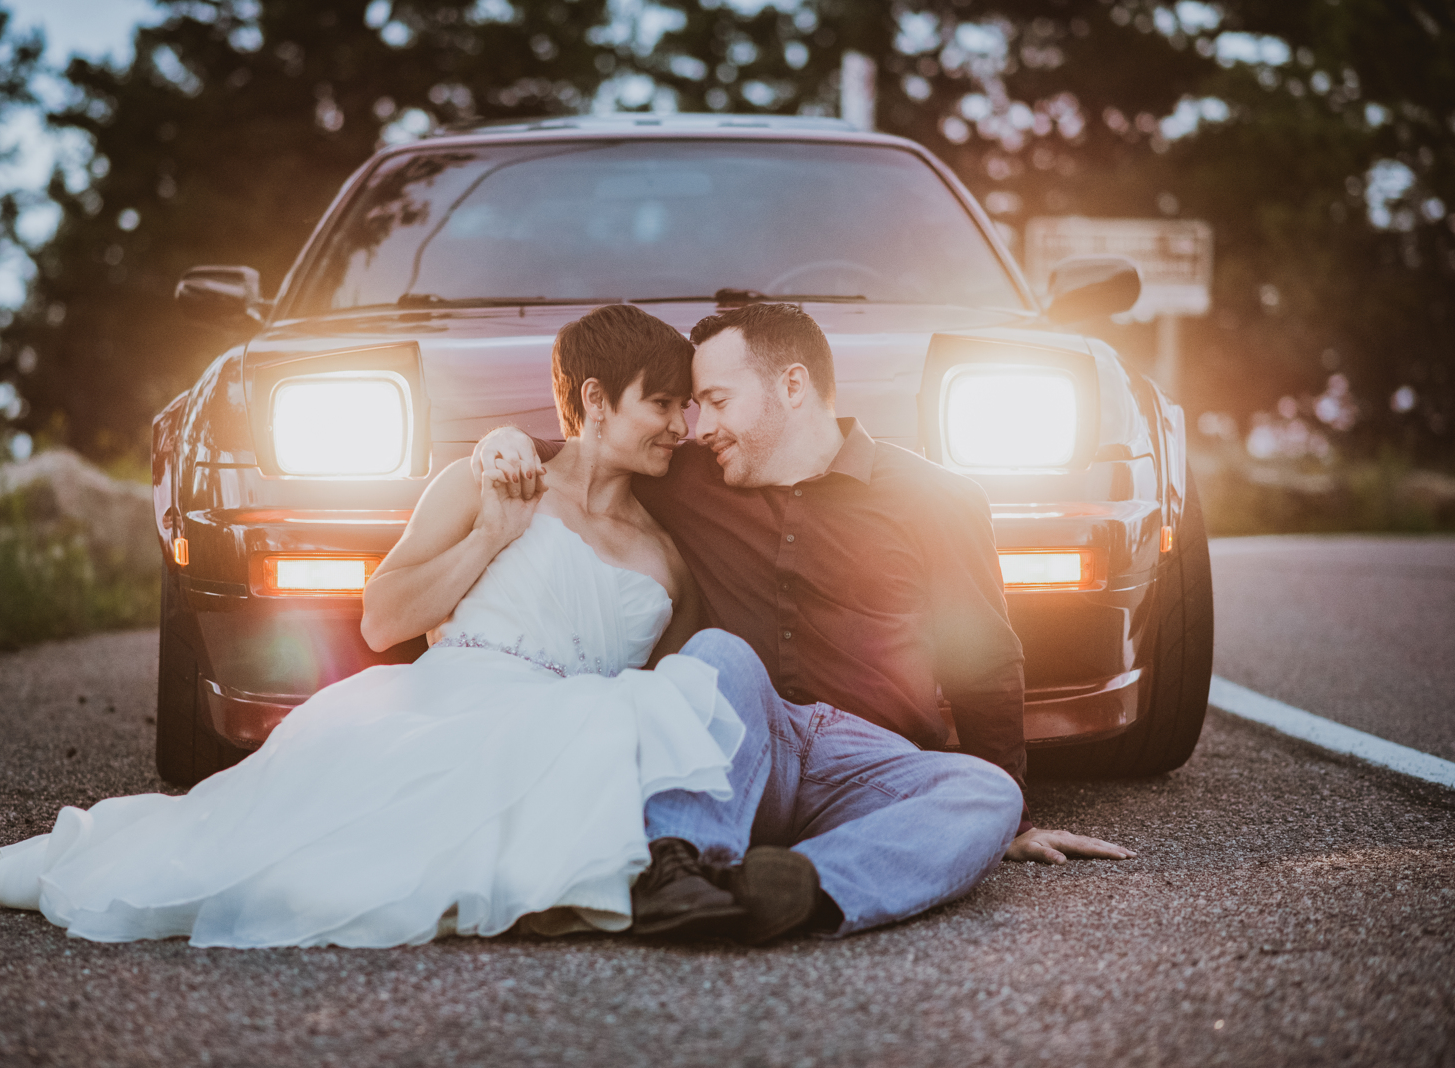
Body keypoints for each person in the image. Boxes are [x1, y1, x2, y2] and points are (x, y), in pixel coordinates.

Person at [0, 304, 750, 948]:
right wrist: (490, 539)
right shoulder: (485, 485)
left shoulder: (668, 560)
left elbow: (666, 695)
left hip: (570, 733)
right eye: (663, 403)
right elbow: (384, 617)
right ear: (596, 402)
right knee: (290, 870)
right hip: (449, 708)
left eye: (687, 406)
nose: (681, 426)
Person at [477, 302, 1134, 942]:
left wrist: (1010, 821)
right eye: (693, 407)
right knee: (718, 652)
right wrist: (504, 442)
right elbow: (586, 450)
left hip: (865, 762)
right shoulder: (685, 476)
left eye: (717, 401)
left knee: (989, 796)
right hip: (737, 744)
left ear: (792, 385)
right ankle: (677, 871)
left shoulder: (936, 496)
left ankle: (794, 890)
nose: (698, 426)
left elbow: (985, 659)